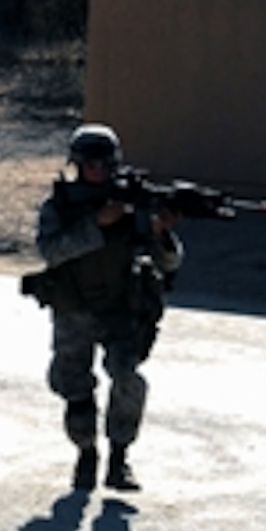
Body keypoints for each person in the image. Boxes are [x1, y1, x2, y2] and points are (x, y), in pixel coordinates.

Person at [35, 124, 183, 492]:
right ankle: (86, 455)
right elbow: (50, 251)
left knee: (127, 377)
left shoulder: (135, 205)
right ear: (76, 165)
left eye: (103, 164)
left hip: (120, 310)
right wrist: (95, 225)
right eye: (89, 164)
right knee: (75, 387)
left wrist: (161, 232)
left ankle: (119, 459)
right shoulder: (61, 206)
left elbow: (170, 263)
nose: (97, 171)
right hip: (75, 310)